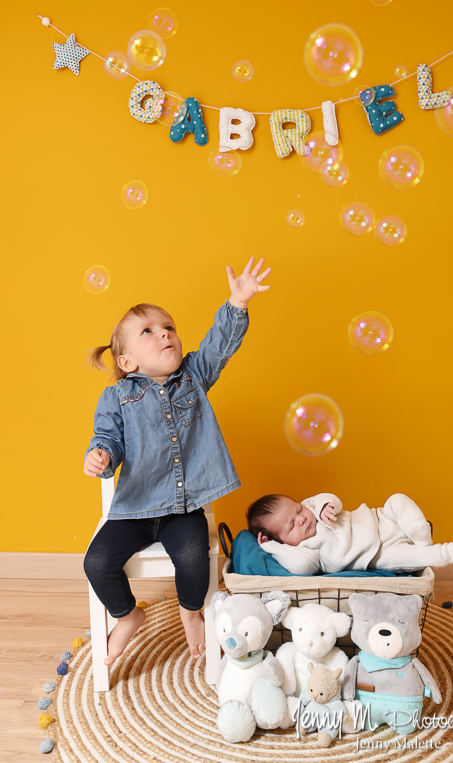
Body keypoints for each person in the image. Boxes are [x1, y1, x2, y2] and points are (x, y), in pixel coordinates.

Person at [83, 257, 272, 665]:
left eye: (169, 327)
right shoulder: (116, 397)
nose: (165, 334)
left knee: (193, 558)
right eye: (148, 331)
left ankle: (191, 611)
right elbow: (107, 438)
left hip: (184, 507)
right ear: (127, 362)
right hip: (134, 508)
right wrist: (99, 456)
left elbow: (220, 345)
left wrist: (237, 303)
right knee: (96, 562)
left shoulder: (193, 376)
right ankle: (127, 616)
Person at [246, 492, 453, 575]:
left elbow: (329, 497)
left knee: (396, 499)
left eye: (297, 509)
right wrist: (272, 547)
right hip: (376, 554)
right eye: (291, 526)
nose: (302, 518)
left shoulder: (313, 507)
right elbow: (303, 567)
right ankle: (448, 552)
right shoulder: (303, 549)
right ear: (282, 541)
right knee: (406, 558)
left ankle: (421, 536)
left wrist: (327, 505)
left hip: (380, 518)